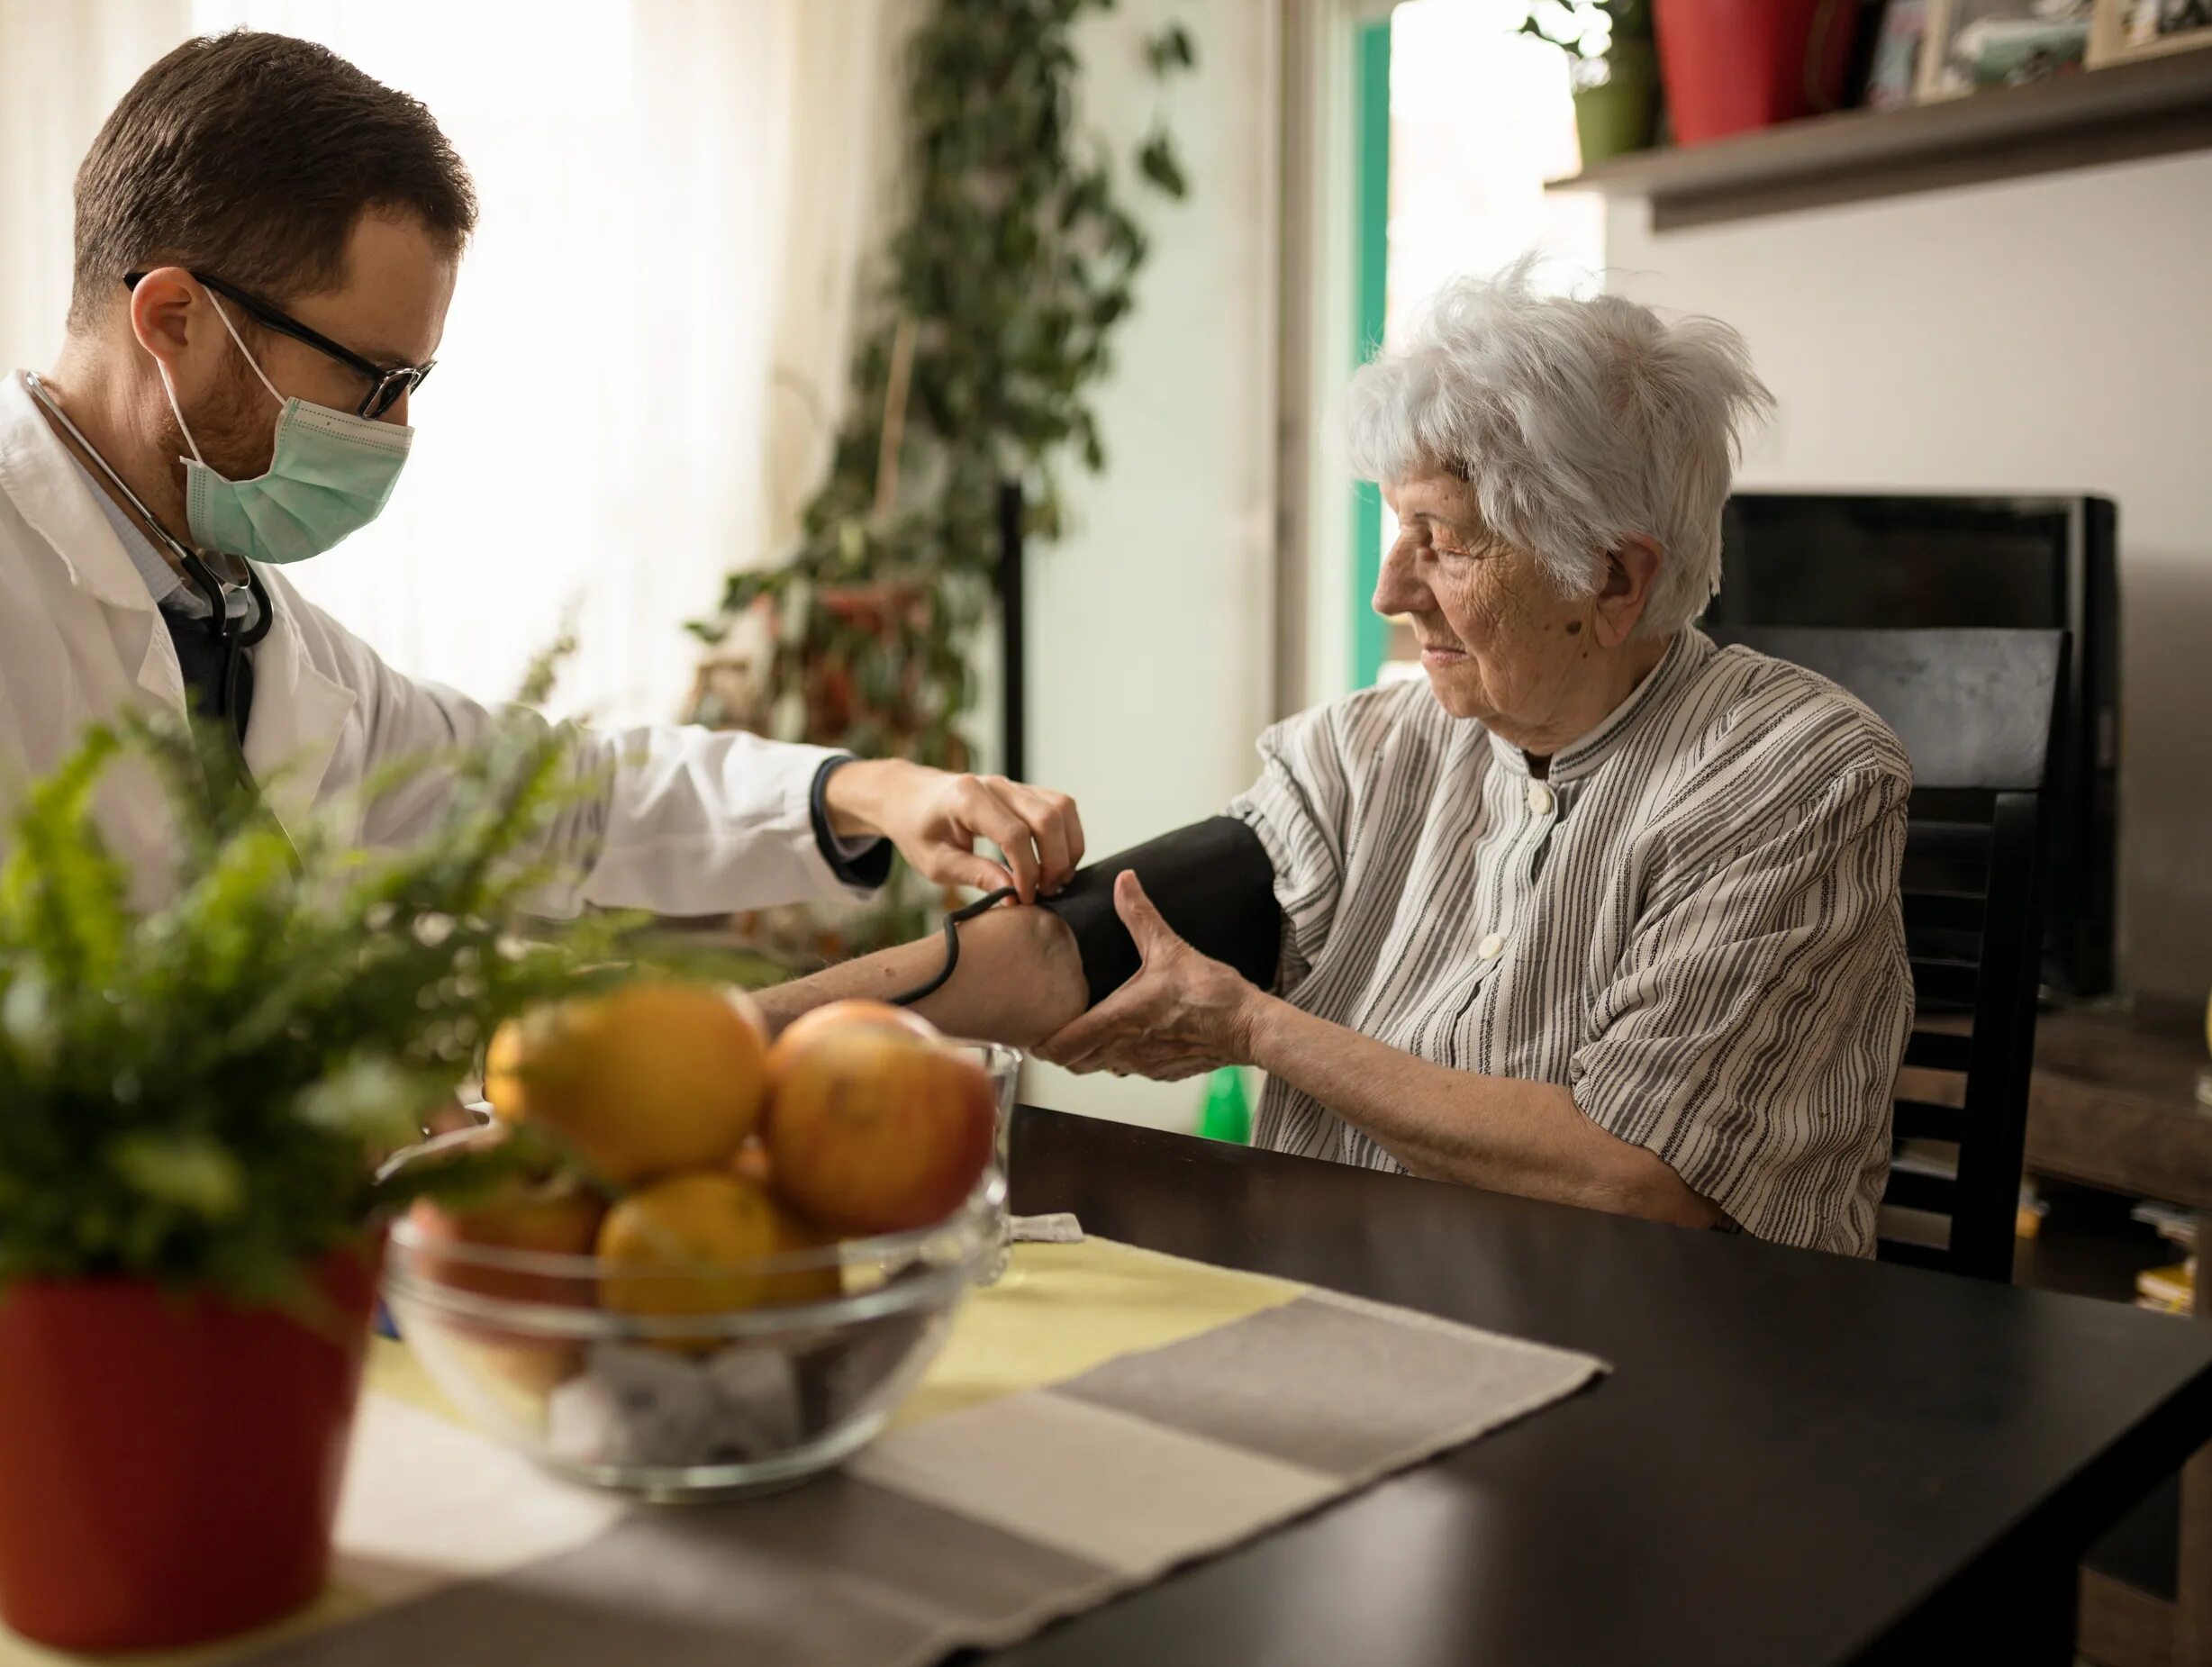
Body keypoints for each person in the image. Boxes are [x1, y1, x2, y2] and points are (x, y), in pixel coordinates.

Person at [0, 32, 1081, 1271]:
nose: (396, 435)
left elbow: (555, 793)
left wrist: (860, 789)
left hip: (188, 1316)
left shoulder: (258, 637)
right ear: (176, 318)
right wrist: (162, 1100)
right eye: (376, 380)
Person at [763, 267, 1914, 1257]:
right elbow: (1075, 950)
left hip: (1676, 1382)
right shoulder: (1367, 750)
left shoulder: (1795, 777)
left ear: (1614, 579)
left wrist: (1259, 1028)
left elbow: (1639, 1173)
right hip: (1353, 1315)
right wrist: (746, 1032)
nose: (1390, 591)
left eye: (1446, 542)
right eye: (1392, 528)